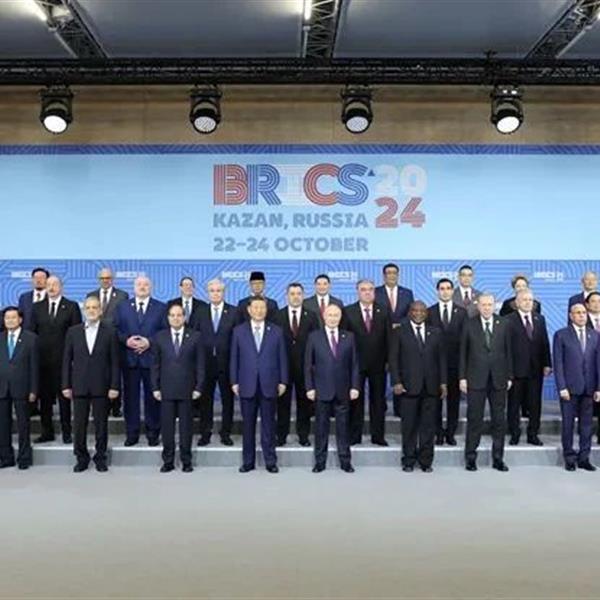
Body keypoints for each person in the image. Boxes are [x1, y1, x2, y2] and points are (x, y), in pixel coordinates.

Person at [62, 296, 120, 473]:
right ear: (84, 310)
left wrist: (114, 386)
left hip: (102, 386)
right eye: (88, 307)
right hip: (79, 386)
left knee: (101, 425)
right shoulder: (73, 332)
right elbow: (66, 361)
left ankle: (100, 457)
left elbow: (115, 362)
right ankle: (81, 458)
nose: (91, 310)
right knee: (79, 426)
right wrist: (65, 385)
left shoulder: (110, 332)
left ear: (100, 310)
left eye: (95, 307)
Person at [230, 297, 288, 473]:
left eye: (262, 307)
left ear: (266, 310)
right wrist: (234, 381)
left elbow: (282, 358)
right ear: (249, 310)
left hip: (269, 383)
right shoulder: (239, 331)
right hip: (246, 384)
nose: (259, 311)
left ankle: (270, 461)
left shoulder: (276, 331)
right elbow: (234, 358)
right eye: (255, 307)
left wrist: (283, 381)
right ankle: (248, 462)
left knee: (268, 425)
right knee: (248, 426)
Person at [389, 301, 447, 472]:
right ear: (410, 312)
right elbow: (393, 359)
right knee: (409, 427)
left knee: (428, 427)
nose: (419, 313)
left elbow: (442, 360)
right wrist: (396, 382)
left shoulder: (436, 332)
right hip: (408, 387)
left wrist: (443, 383)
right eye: (415, 310)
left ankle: (426, 462)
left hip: (431, 387)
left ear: (426, 314)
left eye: (422, 311)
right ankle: (408, 460)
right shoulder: (399, 332)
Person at [460, 293, 513, 472]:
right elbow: (463, 353)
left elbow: (509, 352)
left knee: (499, 420)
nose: (487, 308)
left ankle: (498, 458)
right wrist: (462, 377)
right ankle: (470, 458)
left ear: (494, 306)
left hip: (499, 379)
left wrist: (510, 376)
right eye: (483, 305)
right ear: (478, 306)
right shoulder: (469, 324)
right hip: (475, 378)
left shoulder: (504, 323)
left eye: (490, 304)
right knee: (475, 419)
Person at [305, 304, 359, 473]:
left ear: (340, 317)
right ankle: (320, 462)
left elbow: (354, 364)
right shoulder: (314, 337)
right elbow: (308, 365)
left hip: (343, 389)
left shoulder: (349, 337)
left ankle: (345, 461)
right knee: (321, 428)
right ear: (324, 316)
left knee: (343, 428)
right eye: (330, 315)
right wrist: (309, 387)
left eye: (336, 315)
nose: (333, 318)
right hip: (321, 390)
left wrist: (355, 386)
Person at [152, 304, 204, 473]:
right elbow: (155, 365)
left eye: (179, 315)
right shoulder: (159, 337)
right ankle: (168, 461)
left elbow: (200, 365)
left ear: (184, 317)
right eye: (173, 315)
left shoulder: (195, 336)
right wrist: (155, 387)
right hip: (166, 389)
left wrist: (199, 387)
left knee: (186, 428)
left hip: (187, 389)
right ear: (168, 318)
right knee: (167, 428)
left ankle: (186, 460)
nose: (176, 318)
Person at [115, 276, 167, 447]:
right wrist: (126, 340)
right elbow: (115, 330)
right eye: (139, 284)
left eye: (146, 284)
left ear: (151, 287)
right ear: (134, 287)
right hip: (129, 360)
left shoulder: (161, 307)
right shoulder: (122, 307)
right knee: (130, 399)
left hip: (152, 360)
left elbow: (165, 331)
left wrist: (149, 342)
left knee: (153, 398)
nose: (142, 287)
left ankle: (153, 433)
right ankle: (132, 433)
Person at [30, 276, 82, 444]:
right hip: (42, 362)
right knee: (45, 400)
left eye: (55, 284)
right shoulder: (36, 307)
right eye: (49, 285)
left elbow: (77, 334)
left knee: (64, 399)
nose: (51, 287)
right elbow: (31, 334)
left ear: (61, 287)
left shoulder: (72, 306)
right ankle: (47, 432)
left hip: (63, 361)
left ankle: (67, 432)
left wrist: (73, 358)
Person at [553, 303, 600, 471]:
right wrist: (562, 387)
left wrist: (598, 388)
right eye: (578, 313)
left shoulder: (595, 335)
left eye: (583, 313)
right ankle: (569, 458)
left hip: (589, 388)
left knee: (586, 426)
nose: (581, 315)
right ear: (571, 316)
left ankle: (584, 458)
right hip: (569, 389)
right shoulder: (561, 335)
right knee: (568, 425)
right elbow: (558, 363)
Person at [343, 279, 390, 446]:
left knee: (378, 402)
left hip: (379, 364)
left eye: (370, 289)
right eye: (363, 289)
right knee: (355, 401)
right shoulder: (348, 311)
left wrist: (389, 361)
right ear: (357, 291)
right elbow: (344, 340)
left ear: (374, 292)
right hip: (355, 365)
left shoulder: (384, 311)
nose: (367, 292)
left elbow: (389, 339)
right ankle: (354, 436)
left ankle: (378, 436)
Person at [274, 283, 319, 447]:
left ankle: (303, 436)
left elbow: (316, 343)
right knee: (282, 403)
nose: (295, 297)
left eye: (298, 293)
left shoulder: (311, 316)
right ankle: (281, 436)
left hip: (305, 368)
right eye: (292, 293)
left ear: (303, 295)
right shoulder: (277, 316)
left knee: (304, 403)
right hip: (283, 368)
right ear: (287, 296)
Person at [505, 289, 551, 446]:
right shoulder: (508, 320)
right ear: (517, 302)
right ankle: (514, 433)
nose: (528, 302)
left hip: (535, 370)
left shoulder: (540, 319)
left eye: (530, 300)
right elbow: (506, 348)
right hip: (516, 370)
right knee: (514, 404)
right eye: (524, 300)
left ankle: (533, 434)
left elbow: (544, 342)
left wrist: (547, 363)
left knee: (535, 404)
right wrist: (508, 371)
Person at [195, 278, 238, 446]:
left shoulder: (233, 312)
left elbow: (238, 340)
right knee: (205, 401)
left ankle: (226, 433)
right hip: (205, 364)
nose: (215, 293)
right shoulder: (200, 311)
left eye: (218, 290)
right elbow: (194, 337)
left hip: (227, 364)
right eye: (212, 291)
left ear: (224, 292)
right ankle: (205, 433)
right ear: (208, 293)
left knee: (228, 401)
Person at [427, 278, 467, 446]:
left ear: (452, 291)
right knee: (435, 402)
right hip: (434, 366)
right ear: (437, 291)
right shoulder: (429, 312)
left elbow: (465, 341)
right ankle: (438, 433)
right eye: (442, 288)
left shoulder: (462, 312)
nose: (445, 291)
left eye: (448, 288)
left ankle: (450, 433)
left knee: (453, 402)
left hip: (455, 365)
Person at [86, 267, 128, 417]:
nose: (105, 281)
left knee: (114, 372)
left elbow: (124, 319)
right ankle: (98, 406)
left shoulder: (122, 295)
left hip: (115, 339)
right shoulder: (91, 295)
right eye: (102, 278)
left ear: (112, 279)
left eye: (108, 278)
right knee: (97, 373)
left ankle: (116, 407)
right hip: (96, 340)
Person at [0, 307, 38, 469]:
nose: (10, 320)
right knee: (3, 425)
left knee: (23, 425)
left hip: (22, 388)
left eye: (13, 317)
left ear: (20, 320)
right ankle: (6, 458)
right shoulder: (0, 338)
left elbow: (34, 367)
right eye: (7, 318)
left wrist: (33, 390)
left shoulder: (31, 338)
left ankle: (24, 458)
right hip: (2, 388)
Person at [374, 262, 414, 326]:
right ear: (384, 276)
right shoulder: (375, 292)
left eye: (394, 273)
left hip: (402, 328)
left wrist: (399, 324)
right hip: (381, 329)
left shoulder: (407, 293)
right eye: (389, 273)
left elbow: (411, 313)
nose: (392, 276)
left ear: (398, 275)